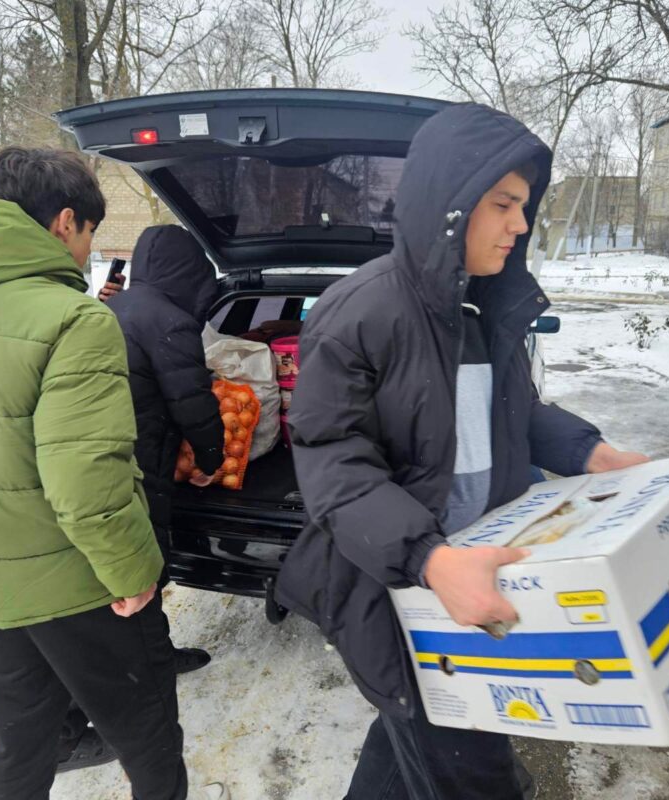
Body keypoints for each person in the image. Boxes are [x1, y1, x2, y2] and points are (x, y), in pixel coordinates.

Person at [275, 103, 648, 799]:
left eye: (524, 206)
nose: (521, 224)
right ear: (449, 205)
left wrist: (591, 453)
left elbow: (516, 411)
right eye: (503, 204)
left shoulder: (482, 308)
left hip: (474, 570)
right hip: (402, 589)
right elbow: (333, 462)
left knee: (414, 734)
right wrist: (430, 559)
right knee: (467, 766)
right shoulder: (361, 313)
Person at [0, 146, 225, 800]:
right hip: (81, 586)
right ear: (66, 222)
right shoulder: (74, 319)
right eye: (91, 232)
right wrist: (132, 575)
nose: (88, 249)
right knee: (147, 734)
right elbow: (86, 479)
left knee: (19, 742)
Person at [103, 224, 225, 674]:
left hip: (109, 448)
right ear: (191, 273)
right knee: (145, 564)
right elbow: (194, 405)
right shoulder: (170, 321)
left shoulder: (114, 306)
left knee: (121, 564)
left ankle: (134, 654)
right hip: (143, 456)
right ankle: (152, 662)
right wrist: (211, 459)